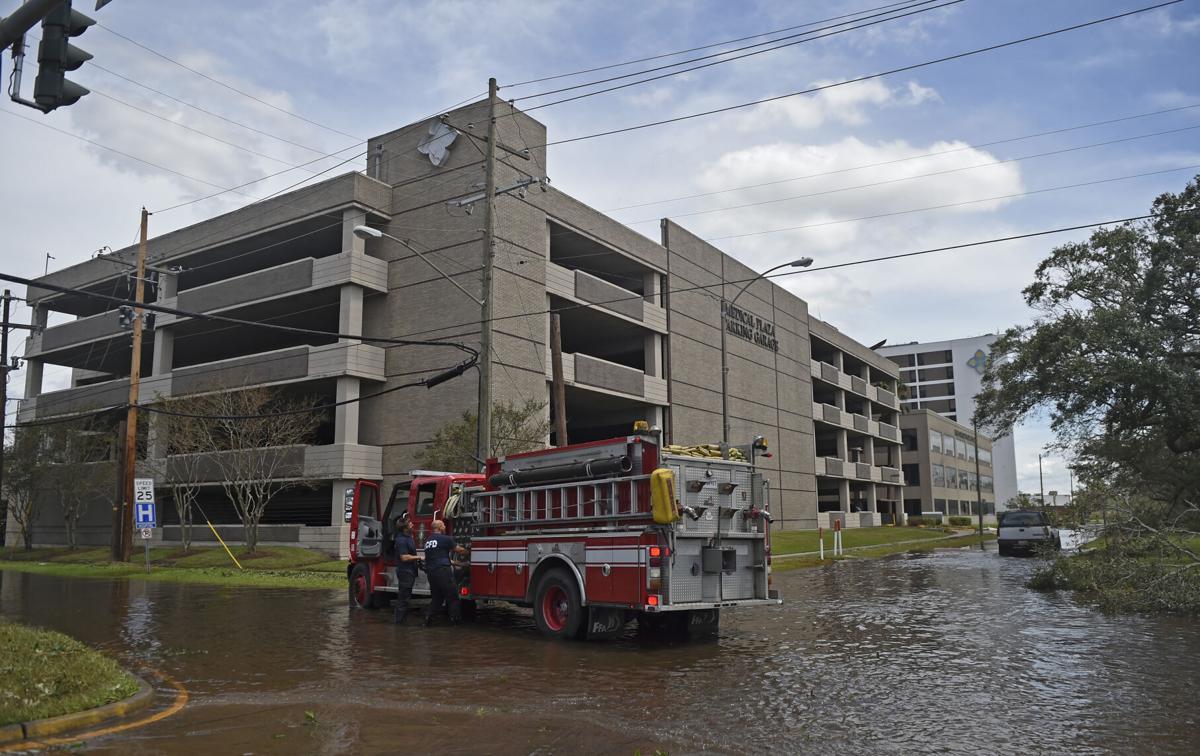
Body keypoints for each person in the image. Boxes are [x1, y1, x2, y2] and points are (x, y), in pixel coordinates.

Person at [422, 520, 466, 626]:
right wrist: (469, 551)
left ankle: (428, 618)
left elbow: (437, 556)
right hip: (443, 571)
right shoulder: (445, 539)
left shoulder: (428, 541)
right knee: (453, 596)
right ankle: (455, 621)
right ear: (440, 527)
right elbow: (459, 550)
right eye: (444, 525)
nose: (445, 526)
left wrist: (455, 563)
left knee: (437, 598)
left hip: (431, 573)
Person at [393, 516, 421, 624]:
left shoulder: (409, 537)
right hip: (405, 572)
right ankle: (399, 623)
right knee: (403, 598)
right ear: (405, 528)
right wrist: (419, 557)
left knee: (406, 597)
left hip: (410, 571)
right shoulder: (401, 540)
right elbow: (404, 557)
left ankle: (402, 621)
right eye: (410, 524)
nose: (412, 525)